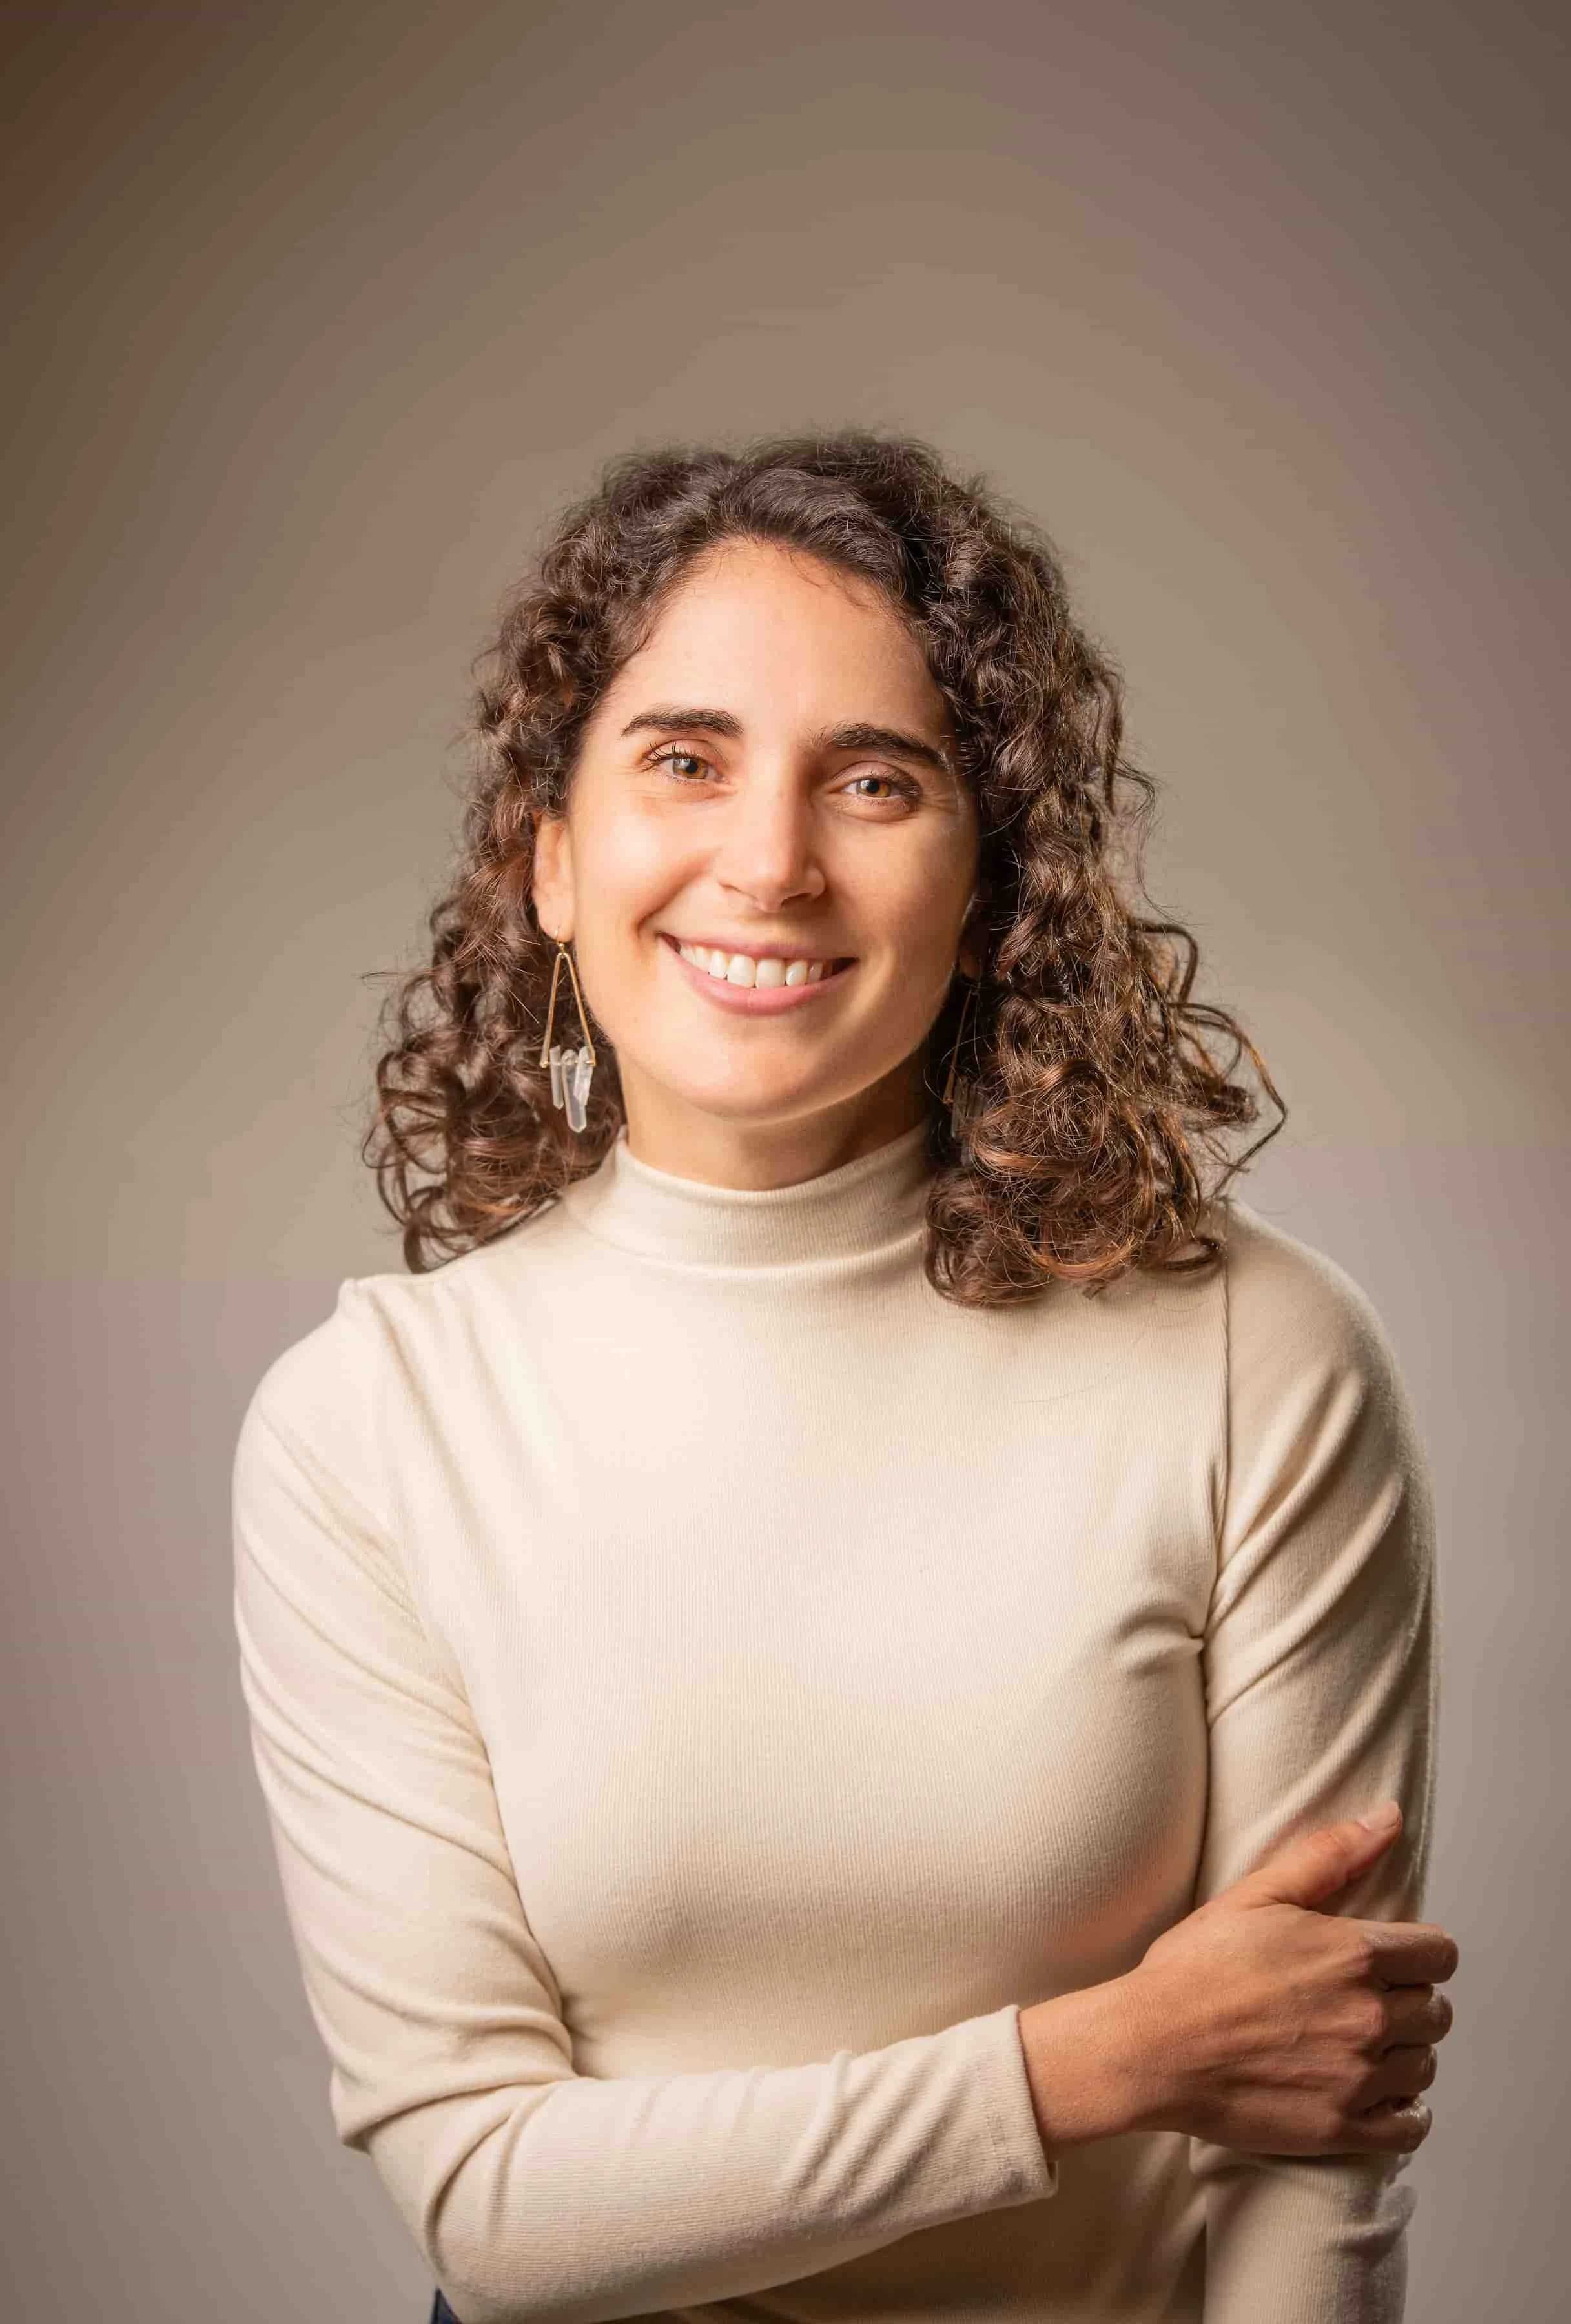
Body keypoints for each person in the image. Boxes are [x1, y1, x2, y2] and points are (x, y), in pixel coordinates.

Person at [231, 431, 1457, 2324]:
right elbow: (487, 2201)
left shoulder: (1252, 1359)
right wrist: (1098, 2063)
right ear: (551, 862)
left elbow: (1308, 2139)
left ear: (988, 888)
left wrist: (1202, 2071)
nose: (771, 862)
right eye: (684, 761)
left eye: (872, 781)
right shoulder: (371, 1428)